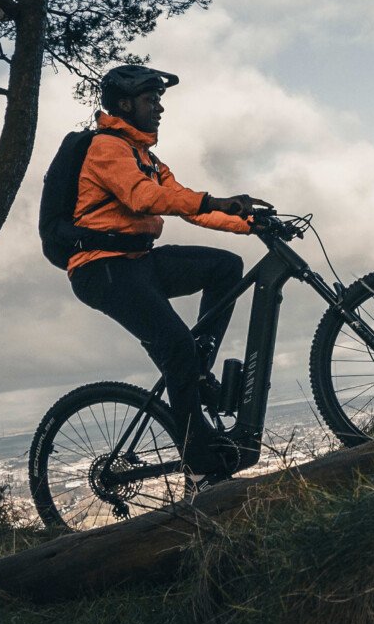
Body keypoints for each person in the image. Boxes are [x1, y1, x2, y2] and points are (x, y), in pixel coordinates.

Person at [62, 64, 269, 477]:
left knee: (225, 267)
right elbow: (143, 198)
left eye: (159, 100)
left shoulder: (147, 157)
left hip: (139, 261)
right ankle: (199, 463)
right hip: (102, 269)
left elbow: (186, 204)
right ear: (125, 105)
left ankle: (197, 368)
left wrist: (251, 224)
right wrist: (218, 200)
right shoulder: (107, 148)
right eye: (150, 100)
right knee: (176, 347)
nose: (159, 108)